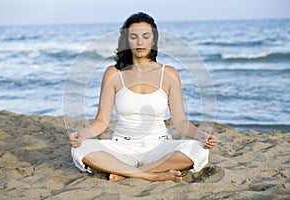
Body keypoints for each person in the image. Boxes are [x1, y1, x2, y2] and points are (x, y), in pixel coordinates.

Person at [70, 12, 217, 183]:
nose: (140, 42)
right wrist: (81, 134)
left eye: (146, 36)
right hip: (122, 147)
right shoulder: (113, 73)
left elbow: (180, 122)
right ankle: (150, 175)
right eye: (134, 37)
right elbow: (102, 120)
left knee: (199, 149)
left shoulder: (168, 73)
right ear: (127, 40)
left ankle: (125, 173)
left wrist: (202, 136)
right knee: (80, 149)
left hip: (160, 147)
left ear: (153, 40)